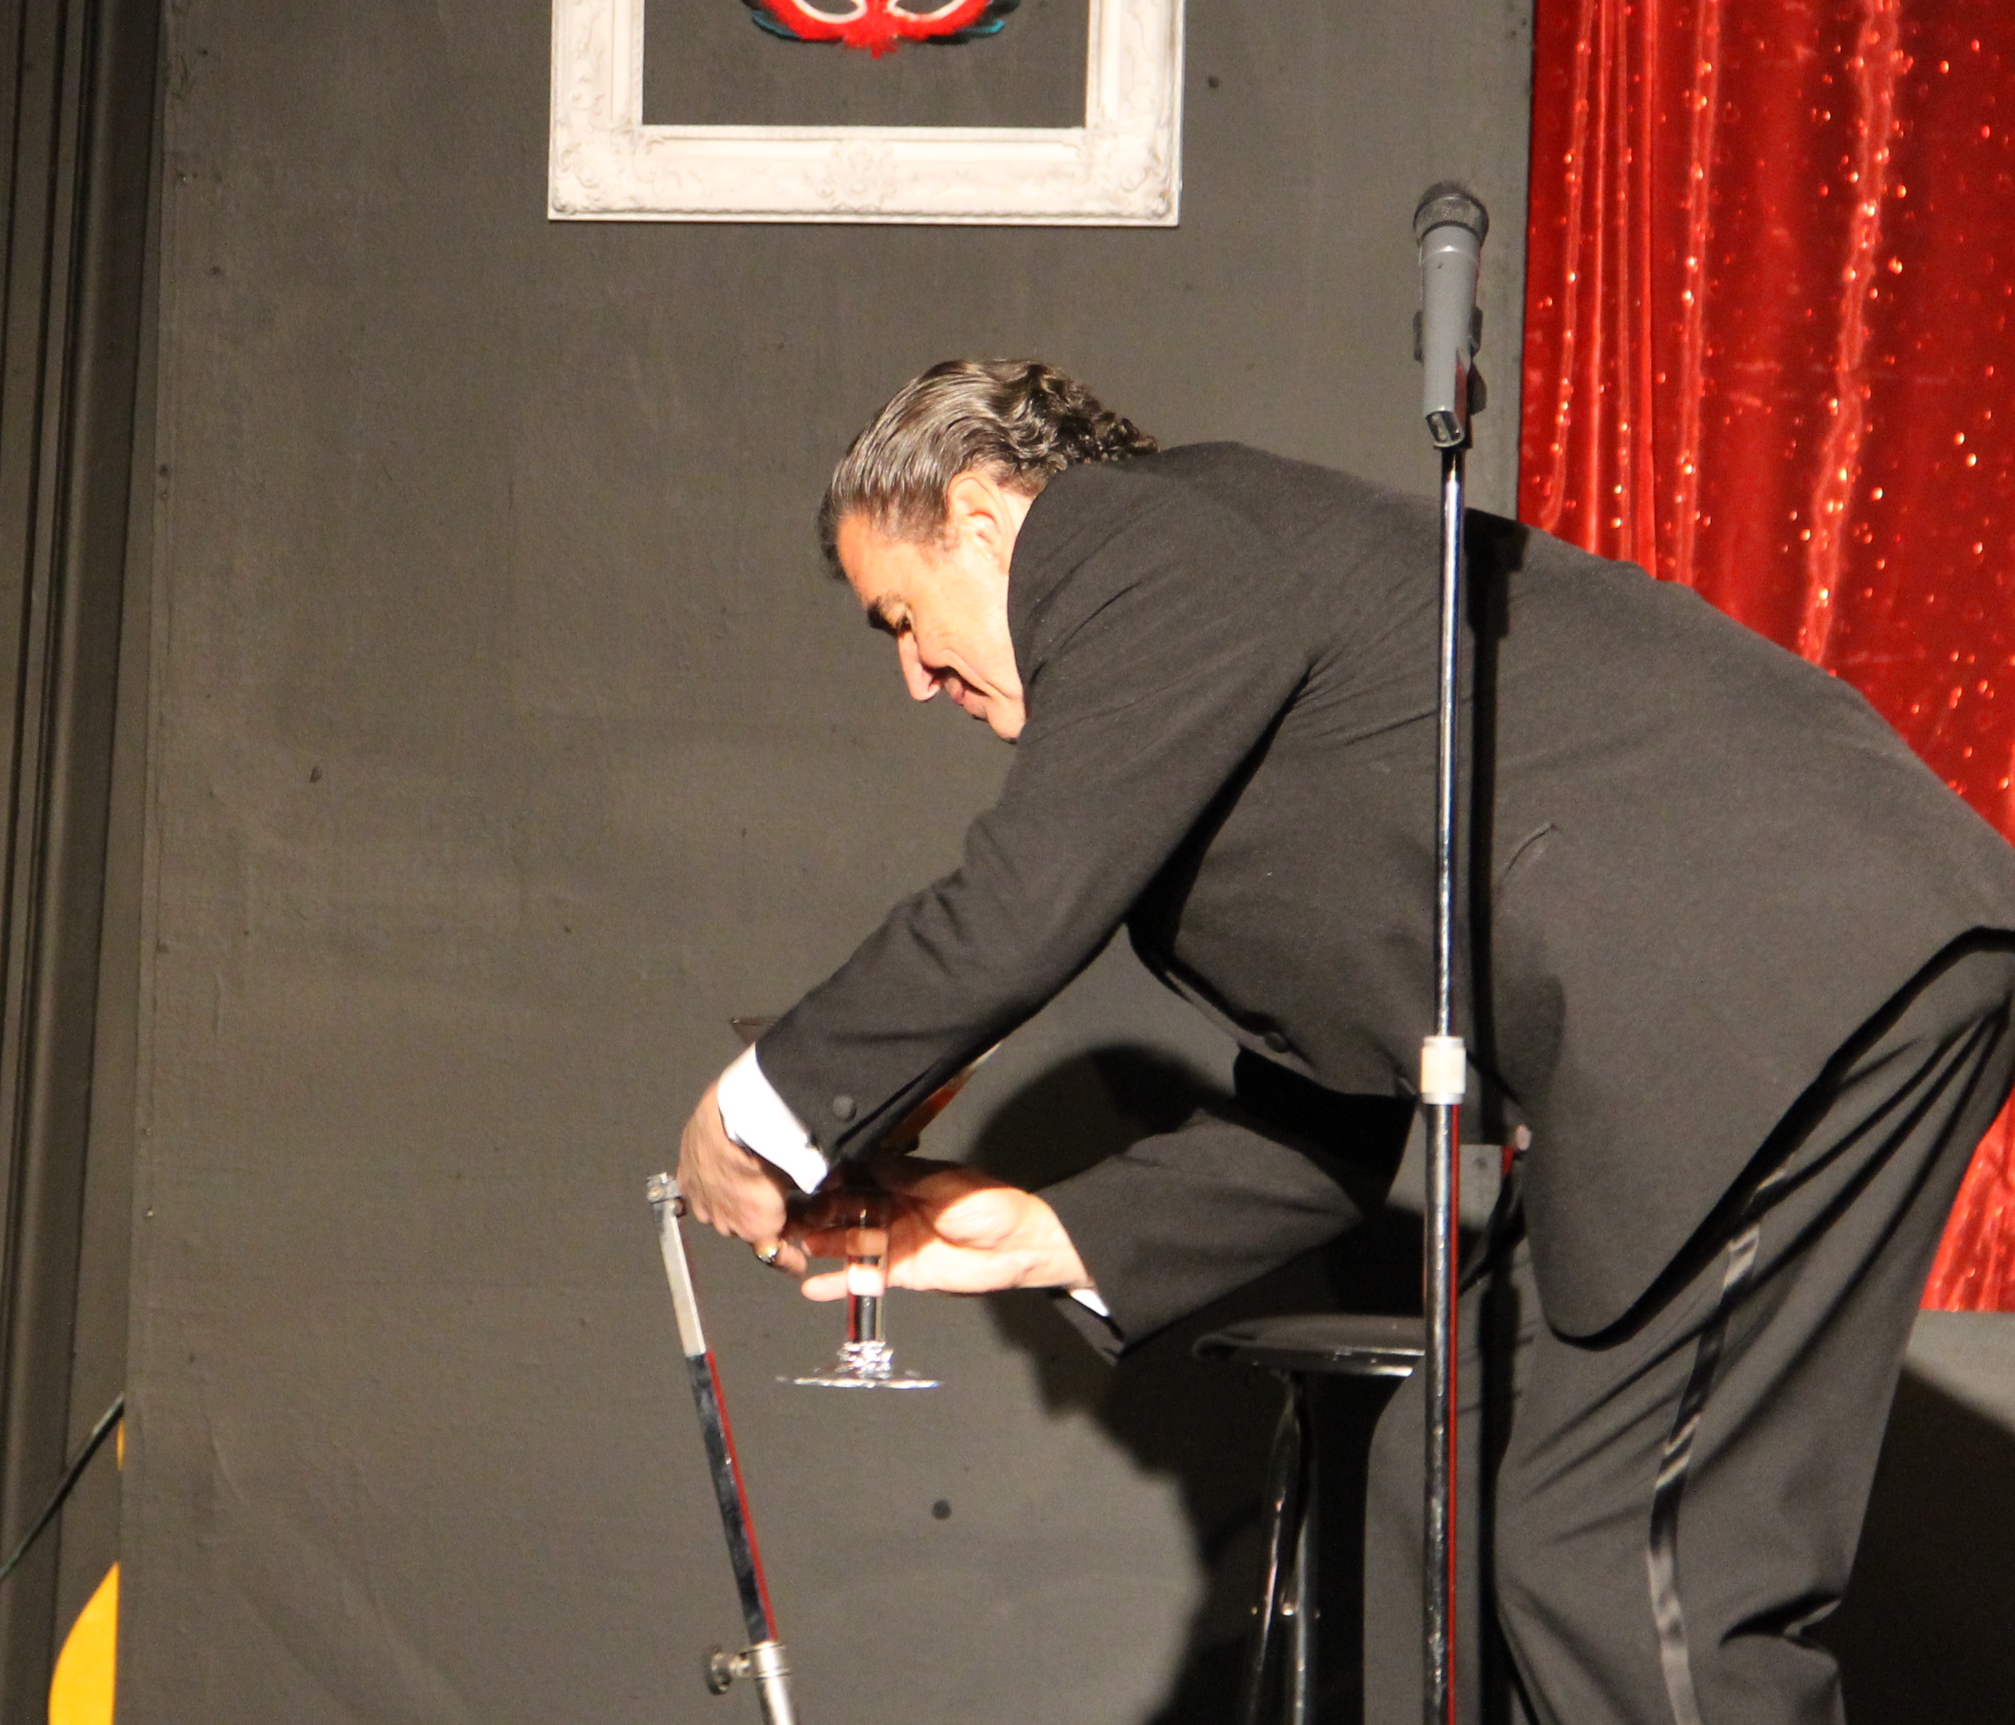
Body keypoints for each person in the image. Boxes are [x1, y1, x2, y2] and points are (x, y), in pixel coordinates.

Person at [672, 359, 2015, 1725]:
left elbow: (1018, 908)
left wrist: (757, 1113)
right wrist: (1051, 1235)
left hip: (1783, 973)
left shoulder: (1134, 536)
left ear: (979, 514)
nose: (913, 676)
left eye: (901, 616)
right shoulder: (1216, 650)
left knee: (1615, 1555)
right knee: (1448, 1493)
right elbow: (1334, 1110)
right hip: (1726, 1007)